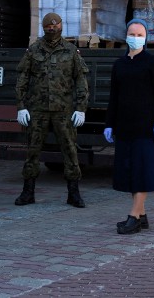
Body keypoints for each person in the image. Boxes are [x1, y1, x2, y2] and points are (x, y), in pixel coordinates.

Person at [14, 12, 89, 208]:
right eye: (49, 27)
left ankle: (74, 193)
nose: (53, 29)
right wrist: (21, 107)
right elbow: (22, 80)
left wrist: (81, 108)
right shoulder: (33, 51)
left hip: (63, 111)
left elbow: (81, 81)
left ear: (61, 26)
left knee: (70, 151)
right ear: (44, 28)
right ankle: (27, 192)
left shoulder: (71, 51)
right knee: (32, 151)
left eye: (56, 26)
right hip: (37, 110)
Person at [103, 19, 154, 234]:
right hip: (124, 127)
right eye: (132, 34)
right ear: (126, 35)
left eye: (140, 35)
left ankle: (133, 216)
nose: (135, 38)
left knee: (142, 172)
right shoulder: (119, 65)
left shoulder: (153, 63)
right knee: (130, 172)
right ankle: (142, 215)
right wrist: (109, 124)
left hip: (146, 128)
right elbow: (114, 97)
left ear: (146, 37)